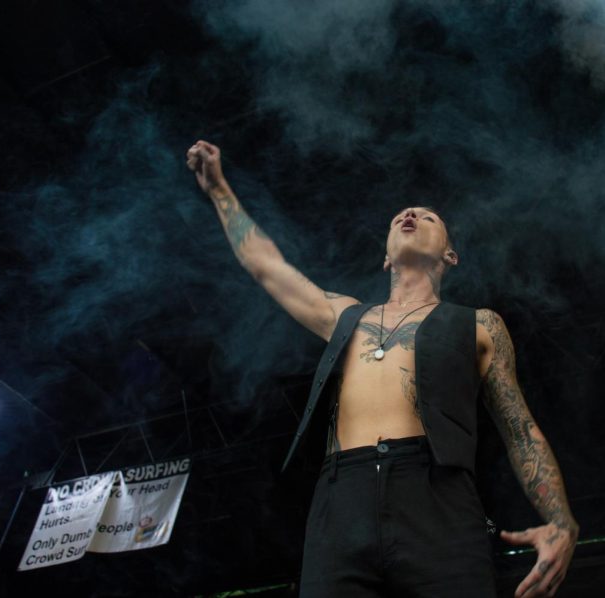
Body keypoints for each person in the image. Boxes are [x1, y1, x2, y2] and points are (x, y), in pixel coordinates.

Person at [187, 140, 579, 597]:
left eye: (427, 216)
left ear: (450, 256)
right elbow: (267, 266)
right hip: (341, 500)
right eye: (400, 217)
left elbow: (520, 429)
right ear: (386, 257)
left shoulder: (479, 325)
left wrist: (561, 521)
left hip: (436, 501)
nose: (410, 215)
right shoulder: (346, 316)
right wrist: (217, 189)